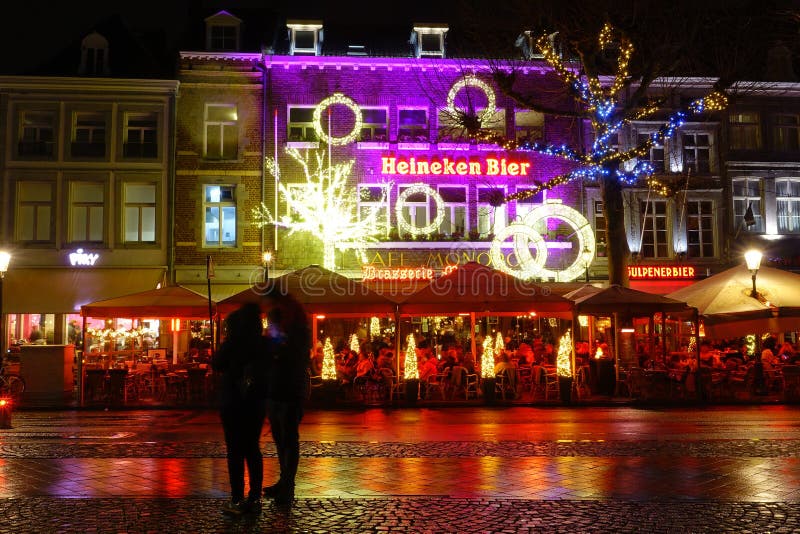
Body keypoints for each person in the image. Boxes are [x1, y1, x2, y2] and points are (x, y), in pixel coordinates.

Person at [211, 302, 269, 516]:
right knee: (252, 448)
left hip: (233, 401)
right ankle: (254, 495)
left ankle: (237, 496)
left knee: (235, 450)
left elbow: (217, 363)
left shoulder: (232, 343)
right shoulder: (262, 344)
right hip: (255, 401)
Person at [263, 290, 311, 506]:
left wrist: (274, 350)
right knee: (282, 438)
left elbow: (286, 356)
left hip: (288, 388)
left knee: (288, 438)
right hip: (279, 387)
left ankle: (287, 485)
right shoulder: (292, 328)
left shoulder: (295, 331)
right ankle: (284, 481)